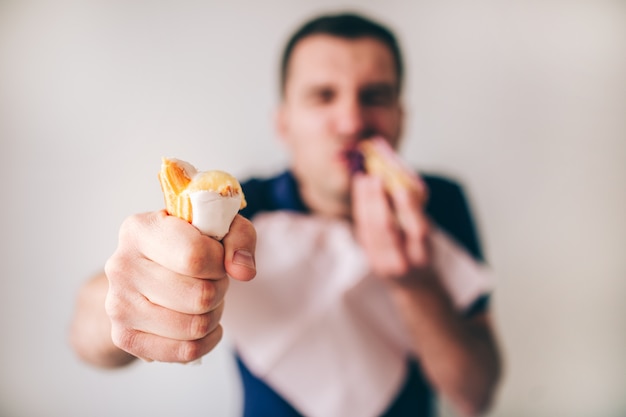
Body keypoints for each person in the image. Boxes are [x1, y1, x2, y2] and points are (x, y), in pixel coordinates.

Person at [70, 12, 501, 417]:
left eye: (375, 96)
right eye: (323, 96)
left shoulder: (439, 204)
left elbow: (475, 394)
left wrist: (416, 283)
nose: (351, 121)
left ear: (400, 119)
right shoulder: (236, 207)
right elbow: (90, 337)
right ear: (284, 123)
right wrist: (124, 294)